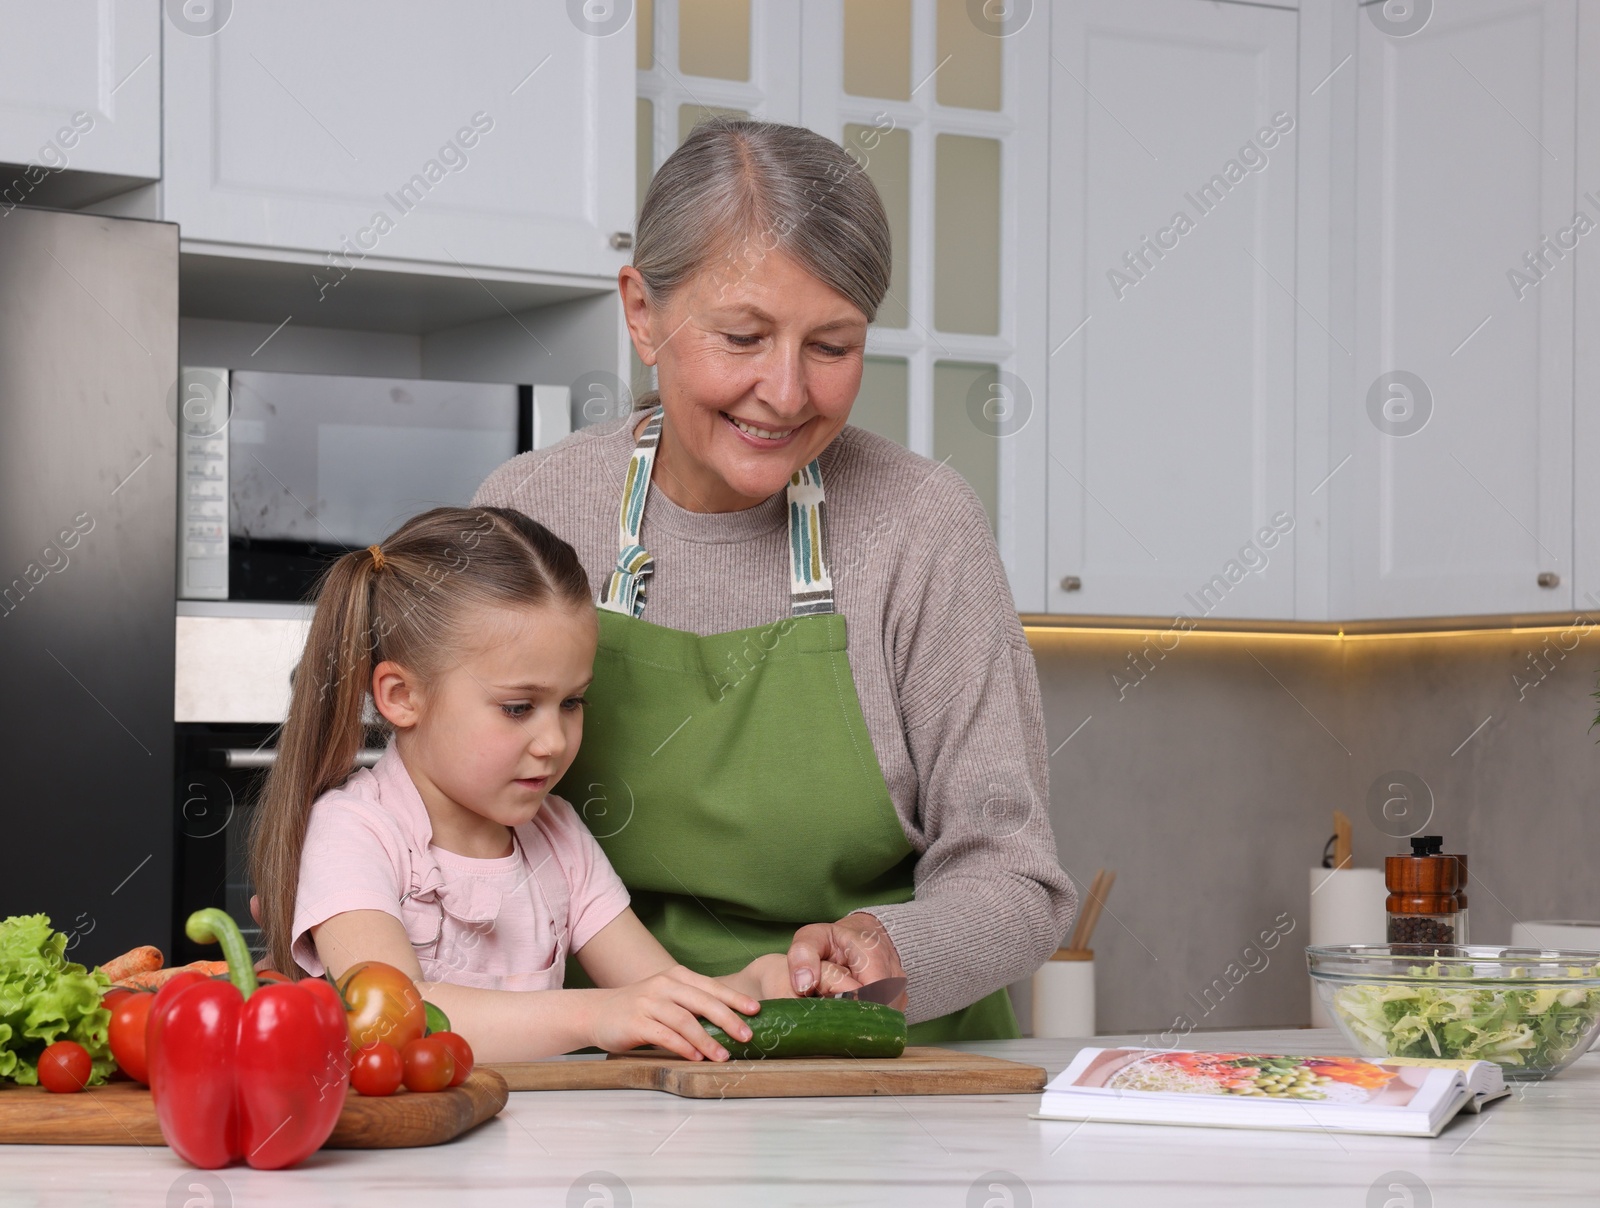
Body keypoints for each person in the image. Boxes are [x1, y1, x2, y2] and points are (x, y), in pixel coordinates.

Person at [473, 119, 1075, 1040]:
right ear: (642, 313)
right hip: (607, 1062)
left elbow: (1014, 874)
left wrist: (891, 944)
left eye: (831, 347)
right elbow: (437, 814)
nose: (786, 393)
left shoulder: (922, 527)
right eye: (743, 337)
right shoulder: (534, 508)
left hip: (882, 1070)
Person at [248, 505, 848, 1063]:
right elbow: (392, 1021)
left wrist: (754, 989)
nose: (554, 742)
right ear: (402, 697)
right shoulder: (354, 832)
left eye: (571, 702)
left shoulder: (558, 837)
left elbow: (655, 992)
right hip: (403, 1166)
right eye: (517, 708)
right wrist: (594, 1015)